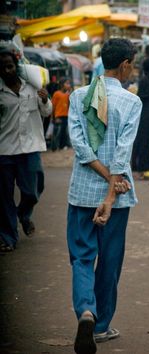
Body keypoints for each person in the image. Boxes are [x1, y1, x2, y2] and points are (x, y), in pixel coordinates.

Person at [67, 38, 142, 354]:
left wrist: (105, 176)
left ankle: (86, 310)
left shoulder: (78, 96)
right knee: (109, 262)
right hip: (117, 197)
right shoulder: (130, 102)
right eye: (132, 64)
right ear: (125, 64)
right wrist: (111, 193)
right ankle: (100, 327)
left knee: (82, 257)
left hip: (82, 193)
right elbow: (122, 156)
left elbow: (81, 147)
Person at [0, 49, 52, 252]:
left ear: (17, 65)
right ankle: (8, 237)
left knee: (32, 191)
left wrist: (46, 99)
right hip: (4, 150)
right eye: (2, 67)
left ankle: (24, 214)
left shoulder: (32, 87)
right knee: (4, 197)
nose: (7, 70)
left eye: (10, 65)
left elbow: (46, 111)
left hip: (30, 148)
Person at [51, 77, 71, 151]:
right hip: (58, 116)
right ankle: (54, 147)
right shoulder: (56, 94)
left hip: (66, 116)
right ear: (62, 85)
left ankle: (62, 146)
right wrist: (53, 118)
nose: (69, 85)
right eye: (67, 83)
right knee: (57, 133)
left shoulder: (67, 95)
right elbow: (53, 106)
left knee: (64, 132)